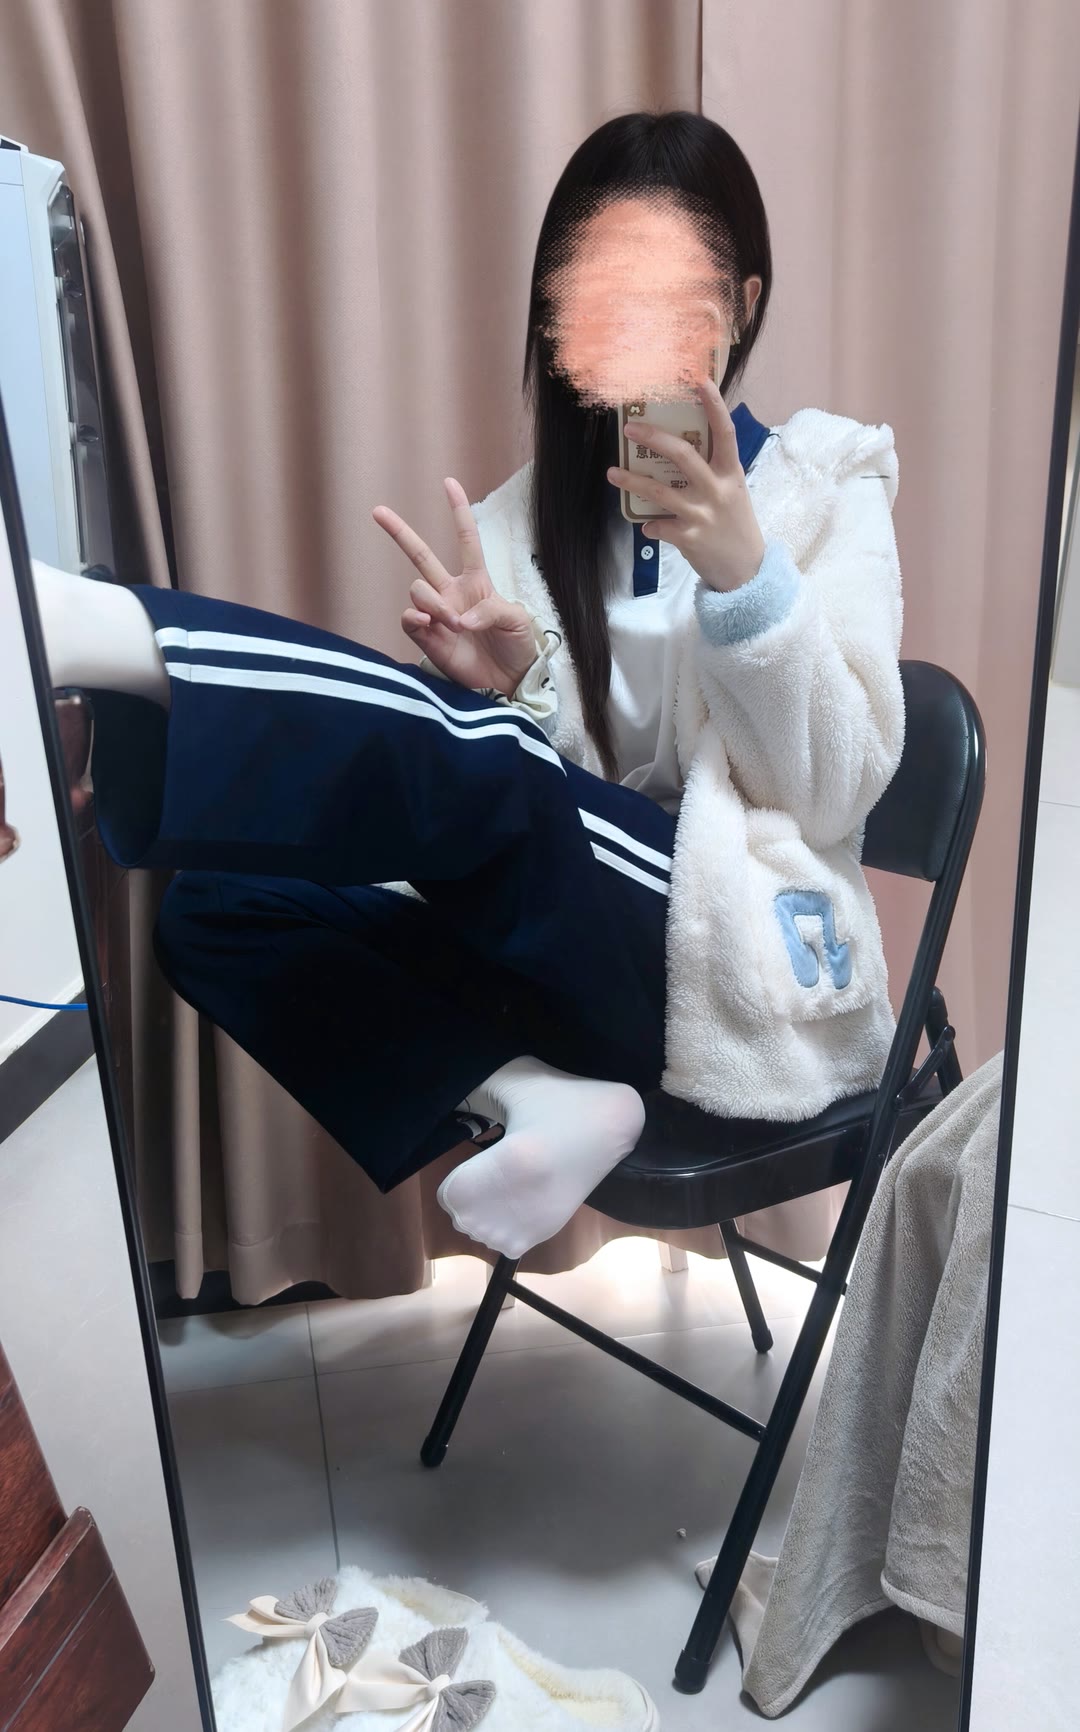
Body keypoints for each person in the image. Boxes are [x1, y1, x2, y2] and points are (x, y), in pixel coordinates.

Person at [32, 110, 904, 1262]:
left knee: (496, 765)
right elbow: (537, 832)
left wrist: (748, 575)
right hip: (573, 983)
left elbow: (835, 793)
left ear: (741, 303)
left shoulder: (829, 482)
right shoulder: (514, 524)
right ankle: (540, 1097)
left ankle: (98, 634)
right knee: (219, 901)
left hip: (743, 972)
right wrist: (522, 684)